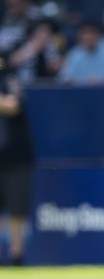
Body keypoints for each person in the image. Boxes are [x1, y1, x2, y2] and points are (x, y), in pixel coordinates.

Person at [0, 60, 34, 265]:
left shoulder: (8, 78)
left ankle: (16, 254)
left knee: (17, 206)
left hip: (15, 156)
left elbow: (12, 105)